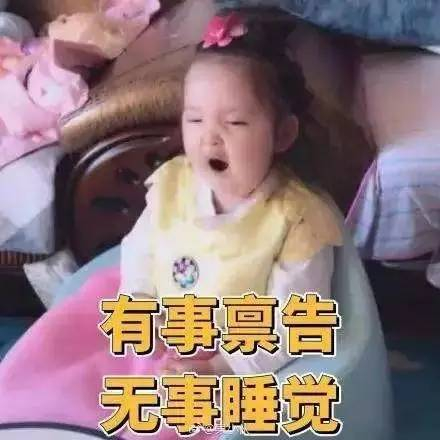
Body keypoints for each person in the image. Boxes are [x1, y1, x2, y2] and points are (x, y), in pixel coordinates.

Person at [0, 10, 342, 439]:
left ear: (283, 134)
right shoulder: (174, 182)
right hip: (157, 320)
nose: (209, 138)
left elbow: (295, 327)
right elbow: (142, 249)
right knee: (59, 375)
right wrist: (141, 305)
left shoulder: (297, 221)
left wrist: (220, 367)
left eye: (234, 122)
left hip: (229, 356)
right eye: (194, 119)